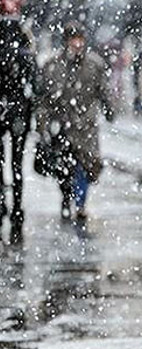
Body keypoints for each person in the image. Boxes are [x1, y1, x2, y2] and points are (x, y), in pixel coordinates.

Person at [39, 21, 114, 222]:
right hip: (62, 125)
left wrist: (109, 109)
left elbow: (103, 90)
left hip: (86, 125)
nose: (77, 44)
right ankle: (66, 199)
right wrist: (43, 125)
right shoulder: (53, 66)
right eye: (73, 39)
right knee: (65, 167)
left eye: (80, 39)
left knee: (87, 165)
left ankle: (80, 204)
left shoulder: (94, 64)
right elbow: (45, 99)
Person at [0, 2, 36, 242]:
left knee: (6, 162)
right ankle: (16, 208)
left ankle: (6, 203)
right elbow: (33, 79)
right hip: (18, 110)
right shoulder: (23, 36)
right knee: (16, 164)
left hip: (8, 108)